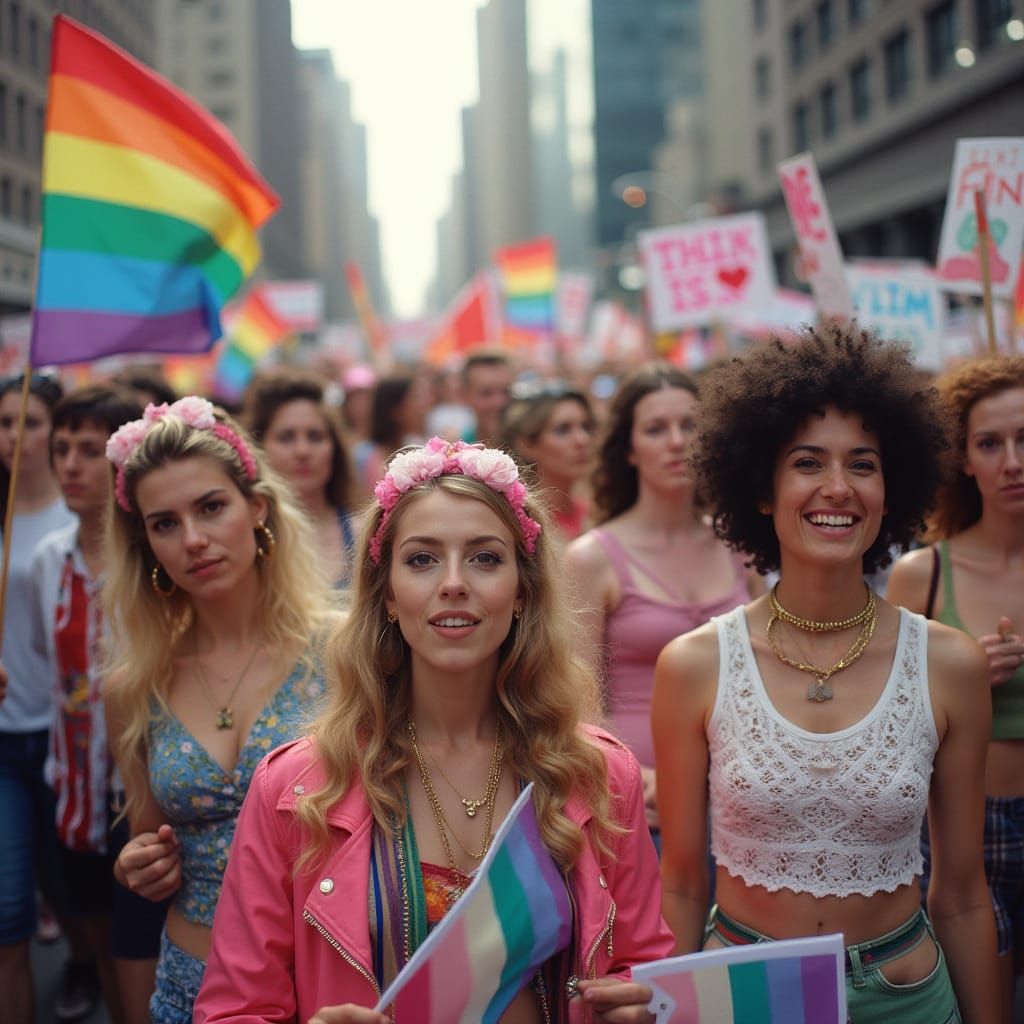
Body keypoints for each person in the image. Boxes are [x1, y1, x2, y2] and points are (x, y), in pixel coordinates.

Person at [194, 437, 673, 1023]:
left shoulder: (599, 773)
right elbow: (234, 1010)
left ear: (522, 592)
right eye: (421, 559)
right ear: (388, 596)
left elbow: (644, 969)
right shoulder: (297, 789)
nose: (453, 582)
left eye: (485, 558)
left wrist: (637, 1008)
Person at [652, 326, 999, 1022]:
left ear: (890, 487)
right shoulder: (693, 664)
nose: (837, 489)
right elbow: (685, 881)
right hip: (742, 995)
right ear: (760, 486)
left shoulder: (949, 663)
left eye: (863, 465)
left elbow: (960, 892)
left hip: (907, 996)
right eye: (808, 462)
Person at [101, 396, 335, 1024]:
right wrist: (138, 865)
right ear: (146, 544)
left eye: (210, 507)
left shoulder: (344, 652)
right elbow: (150, 843)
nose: (194, 540)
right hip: (193, 981)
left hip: (333, 979)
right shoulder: (134, 685)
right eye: (165, 523)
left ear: (256, 508)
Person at [564, 364, 759, 838]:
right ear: (628, 450)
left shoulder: (742, 545)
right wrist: (630, 778)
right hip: (638, 810)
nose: (676, 441)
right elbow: (572, 703)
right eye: (656, 429)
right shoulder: (591, 558)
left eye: (689, 425)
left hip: (744, 803)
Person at [29, 386, 173, 1024]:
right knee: (96, 941)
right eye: (60, 449)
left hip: (136, 794)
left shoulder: (156, 570)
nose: (69, 465)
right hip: (73, 788)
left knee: (139, 952)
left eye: (90, 450)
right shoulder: (44, 560)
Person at [887, 355, 1024, 1023]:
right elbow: (891, 715)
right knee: (985, 1007)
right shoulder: (922, 574)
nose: (1012, 462)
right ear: (963, 459)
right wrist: (964, 674)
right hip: (963, 830)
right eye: (990, 443)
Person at [0, 371, 79, 1024]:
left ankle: (84, 965)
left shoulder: (79, 514)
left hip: (68, 737)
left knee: (75, 892)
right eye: (4, 423)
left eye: (28, 422)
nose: (15, 436)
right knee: (7, 916)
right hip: (3, 739)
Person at [244, 370, 357, 587]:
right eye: (286, 437)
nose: (303, 451)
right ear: (258, 448)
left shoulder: (368, 537)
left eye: (315, 436)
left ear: (334, 448)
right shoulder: (246, 543)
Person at [502, 379, 595, 541]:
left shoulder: (596, 512)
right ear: (526, 444)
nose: (582, 439)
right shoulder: (520, 523)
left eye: (586, 427)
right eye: (563, 430)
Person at [354, 372, 431, 496]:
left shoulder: (417, 449)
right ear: (395, 410)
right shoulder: (364, 457)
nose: (423, 406)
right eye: (416, 398)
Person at [461, 349, 513, 445]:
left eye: (506, 391)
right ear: (465, 396)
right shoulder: (455, 453)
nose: (498, 402)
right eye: (486, 393)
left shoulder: (535, 450)